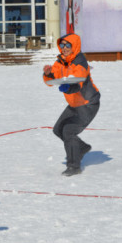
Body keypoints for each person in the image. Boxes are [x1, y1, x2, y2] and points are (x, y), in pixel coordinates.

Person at [43, 33, 100, 176]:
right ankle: (80, 147)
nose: (64, 48)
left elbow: (78, 83)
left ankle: (74, 166)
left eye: (68, 45)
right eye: (62, 45)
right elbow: (51, 80)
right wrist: (49, 74)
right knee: (58, 129)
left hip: (88, 104)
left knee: (68, 131)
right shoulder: (61, 61)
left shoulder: (80, 62)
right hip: (75, 103)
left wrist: (68, 88)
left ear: (74, 46)